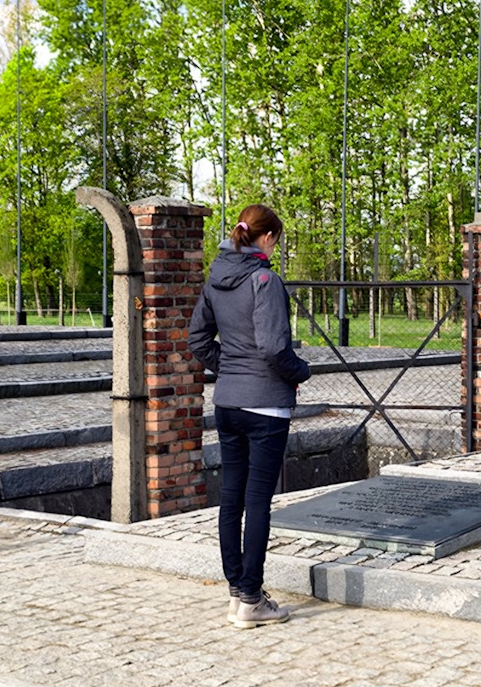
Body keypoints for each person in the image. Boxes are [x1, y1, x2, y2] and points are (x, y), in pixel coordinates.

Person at [188, 204, 311, 629]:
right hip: (266, 407)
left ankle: (236, 593)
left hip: (228, 405)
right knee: (258, 502)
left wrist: (230, 369)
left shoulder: (216, 279)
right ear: (269, 238)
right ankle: (252, 600)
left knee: (231, 499)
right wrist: (302, 371)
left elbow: (197, 339)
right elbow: (274, 348)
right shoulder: (265, 279)